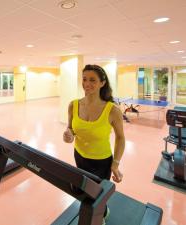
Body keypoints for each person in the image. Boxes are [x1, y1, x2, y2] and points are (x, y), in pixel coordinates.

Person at [63, 64, 125, 225]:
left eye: (92, 80)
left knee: (98, 196)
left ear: (102, 83)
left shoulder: (112, 110)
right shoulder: (73, 105)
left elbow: (121, 138)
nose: (87, 83)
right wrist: (68, 135)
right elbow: (71, 129)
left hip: (102, 161)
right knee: (84, 191)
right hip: (80, 156)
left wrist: (116, 164)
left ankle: (101, 215)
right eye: (84, 79)